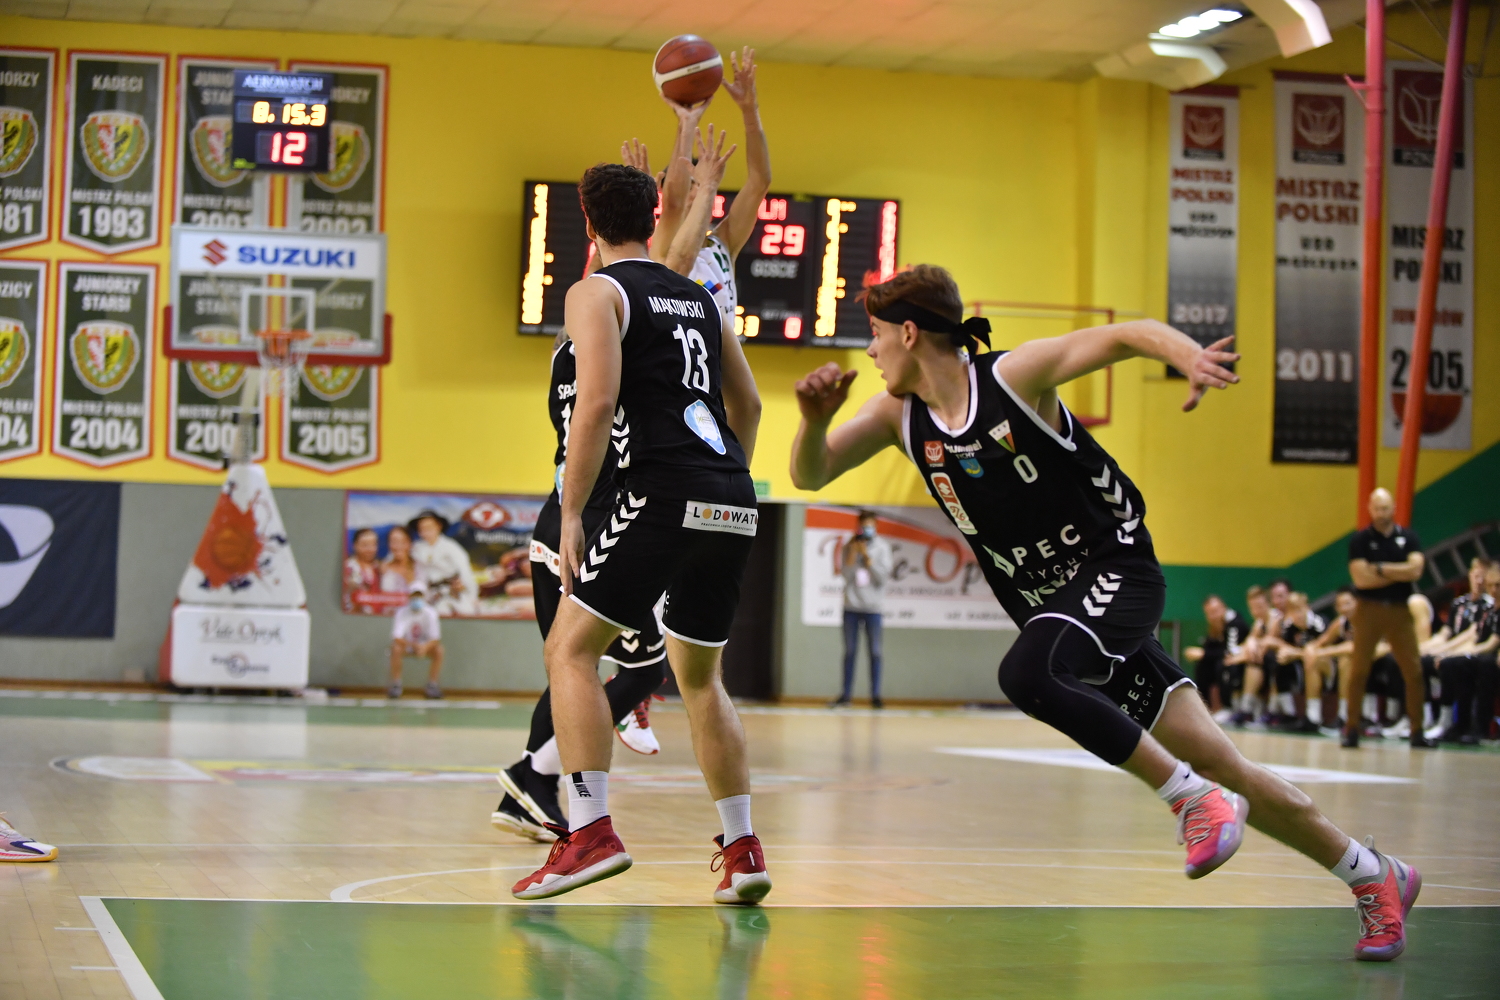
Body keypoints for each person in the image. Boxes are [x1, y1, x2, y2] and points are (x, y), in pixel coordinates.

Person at [789, 264, 1420, 961]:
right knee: (1225, 762)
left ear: (909, 333)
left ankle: (1190, 800)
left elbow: (1127, 335)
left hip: (1117, 570)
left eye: (876, 334)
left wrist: (1190, 357)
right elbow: (810, 475)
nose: (870, 350)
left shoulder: (1012, 379)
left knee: (1027, 674)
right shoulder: (898, 418)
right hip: (1063, 611)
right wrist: (814, 423)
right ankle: (1372, 873)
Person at [512, 152, 768, 905]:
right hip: (731, 491)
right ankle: (744, 848)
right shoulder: (699, 296)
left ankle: (588, 832)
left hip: (661, 487)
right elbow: (749, 405)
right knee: (702, 678)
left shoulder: (596, 291)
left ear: (587, 223)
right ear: (655, 219)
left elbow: (595, 404)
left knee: (569, 649)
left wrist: (570, 512)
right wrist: (724, 487)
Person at [490, 328, 671, 845]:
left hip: (554, 525)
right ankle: (534, 774)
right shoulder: (617, 365)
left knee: (569, 668)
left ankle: (523, 800)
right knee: (644, 668)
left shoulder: (561, 360)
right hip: (595, 531)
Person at [1342, 488, 1432, 749]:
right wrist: (1399, 572)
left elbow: (1416, 570)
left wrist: (1380, 568)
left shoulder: (1409, 537)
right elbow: (1361, 579)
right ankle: (1351, 728)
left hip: (1399, 610)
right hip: (1368, 610)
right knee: (1359, 670)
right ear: (1370, 509)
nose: (1381, 513)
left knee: (1413, 670)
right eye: (1377, 508)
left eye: (1386, 508)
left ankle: (1417, 730)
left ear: (1393, 509)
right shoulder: (1360, 540)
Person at [831, 510, 891, 708]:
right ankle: (846, 695)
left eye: (869, 526)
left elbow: (882, 578)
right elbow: (845, 574)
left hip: (873, 608)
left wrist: (866, 556)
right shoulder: (850, 545)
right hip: (851, 606)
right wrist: (853, 552)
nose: (866, 529)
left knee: (875, 652)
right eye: (863, 526)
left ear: (876, 526)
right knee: (849, 652)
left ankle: (876, 696)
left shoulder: (882, 547)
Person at [1434, 558, 1498, 744]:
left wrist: (1466, 654)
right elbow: (1475, 638)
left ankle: (1481, 728)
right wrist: (1450, 654)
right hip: (1481, 655)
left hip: (1491, 657)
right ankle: (1458, 724)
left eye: (1498, 585)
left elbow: (1491, 644)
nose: (1494, 590)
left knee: (1483, 666)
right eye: (1491, 585)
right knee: (1452, 665)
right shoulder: (1489, 610)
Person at [1264, 592, 1326, 734]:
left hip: (1326, 665)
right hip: (1302, 663)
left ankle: (1313, 717)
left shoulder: (1318, 623)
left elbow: (1322, 651)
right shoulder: (1290, 627)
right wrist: (1286, 650)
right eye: (1292, 611)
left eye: (1300, 609)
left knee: (1313, 660)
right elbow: (1276, 643)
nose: (1297, 615)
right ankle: (1289, 713)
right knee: (1279, 659)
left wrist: (1295, 653)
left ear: (1308, 608)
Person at [1303, 587, 1359, 732]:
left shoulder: (1368, 620)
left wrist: (1322, 652)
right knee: (1315, 661)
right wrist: (1310, 649)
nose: (1344, 608)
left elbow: (1355, 647)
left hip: (1378, 664)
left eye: (1348, 603)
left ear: (1358, 602)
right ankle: (1313, 717)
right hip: (1353, 668)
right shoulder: (1341, 623)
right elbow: (1318, 643)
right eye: (1340, 605)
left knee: (1345, 660)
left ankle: (1345, 716)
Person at [1183, 593, 1247, 719]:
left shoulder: (1235, 623)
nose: (1213, 616)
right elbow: (1211, 648)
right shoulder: (1215, 627)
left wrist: (1203, 654)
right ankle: (1203, 707)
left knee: (1223, 665)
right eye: (1209, 613)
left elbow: (1230, 652)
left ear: (1223, 608)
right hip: (1227, 661)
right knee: (1203, 665)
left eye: (1215, 611)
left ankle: (1229, 707)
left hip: (1240, 662)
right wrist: (1202, 654)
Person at [410, 510, 480, 616]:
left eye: (429, 527)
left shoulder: (450, 547)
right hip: (429, 594)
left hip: (452, 591)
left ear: (438, 526)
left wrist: (472, 595)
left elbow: (465, 571)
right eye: (422, 528)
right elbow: (418, 574)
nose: (426, 531)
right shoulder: (417, 548)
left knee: (465, 613)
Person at [389, 582, 445, 700]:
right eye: (414, 596)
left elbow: (435, 638)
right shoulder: (402, 612)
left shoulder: (431, 613)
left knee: (439, 650)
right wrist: (411, 645)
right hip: (407, 645)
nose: (416, 599)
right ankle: (396, 684)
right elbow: (397, 636)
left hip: (425, 646)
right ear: (409, 596)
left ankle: (432, 685)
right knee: (395, 649)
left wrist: (424, 647)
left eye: (419, 596)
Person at [343, 527, 381, 612]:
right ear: (355, 545)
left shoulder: (379, 567)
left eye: (373, 545)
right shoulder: (349, 567)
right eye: (365, 545)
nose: (370, 549)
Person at [381, 524, 417, 595]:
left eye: (403, 542)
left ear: (410, 543)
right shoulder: (383, 569)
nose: (398, 546)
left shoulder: (419, 567)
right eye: (394, 542)